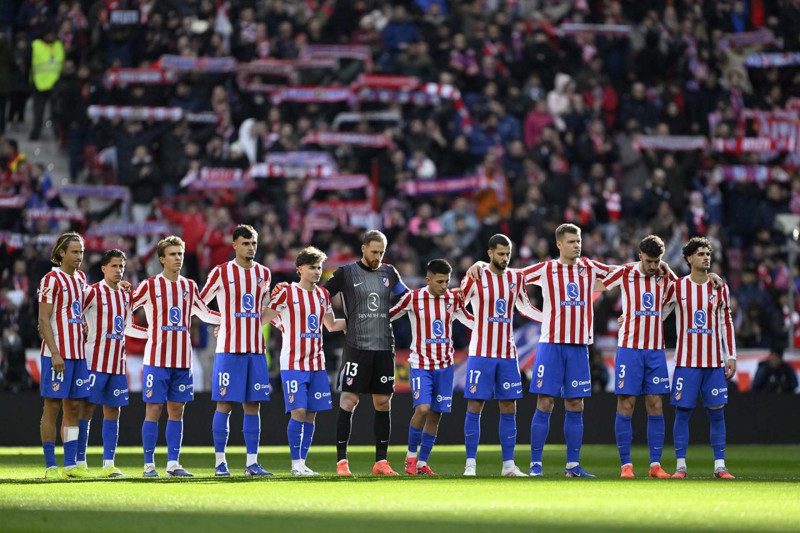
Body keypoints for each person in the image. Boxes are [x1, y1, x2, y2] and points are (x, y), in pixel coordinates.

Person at [522, 223, 612, 477]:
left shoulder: (589, 268)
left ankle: (572, 466)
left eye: (579, 240)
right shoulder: (547, 269)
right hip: (551, 344)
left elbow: (620, 273)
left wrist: (653, 267)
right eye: (571, 241)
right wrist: (481, 267)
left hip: (578, 346)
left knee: (575, 404)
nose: (577, 245)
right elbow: (513, 276)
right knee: (545, 401)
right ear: (559, 244)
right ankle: (535, 465)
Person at [127, 236, 220, 477]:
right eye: (172, 254)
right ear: (161, 259)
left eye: (180, 253)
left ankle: (172, 464)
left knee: (177, 410)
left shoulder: (189, 286)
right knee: (154, 409)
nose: (178, 258)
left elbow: (205, 312)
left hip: (183, 361)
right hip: (156, 360)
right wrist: (141, 331)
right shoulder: (149, 286)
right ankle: (149, 465)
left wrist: (230, 320)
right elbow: (126, 310)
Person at [326, 230, 409, 476]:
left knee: (383, 402)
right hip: (357, 347)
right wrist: (335, 323)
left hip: (384, 347)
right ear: (363, 249)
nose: (378, 257)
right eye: (374, 252)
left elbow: (407, 299)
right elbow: (320, 295)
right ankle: (342, 462)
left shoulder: (390, 272)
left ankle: (381, 462)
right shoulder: (346, 273)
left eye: (382, 252)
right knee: (349, 401)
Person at [461, 234, 542, 477]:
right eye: (500, 254)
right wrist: (477, 325)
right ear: (489, 253)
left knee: (509, 406)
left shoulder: (516, 278)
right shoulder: (476, 276)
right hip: (480, 353)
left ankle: (508, 466)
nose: (505, 258)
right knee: (475, 404)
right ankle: (470, 464)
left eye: (508, 254)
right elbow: (457, 305)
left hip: (507, 354)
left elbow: (525, 307)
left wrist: (551, 319)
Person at [264, 247, 346, 475]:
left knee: (311, 414)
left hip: (317, 365)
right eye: (312, 267)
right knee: (298, 411)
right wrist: (233, 324)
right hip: (293, 364)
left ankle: (302, 462)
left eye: (319, 267)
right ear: (300, 269)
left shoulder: (323, 295)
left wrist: (356, 322)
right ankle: (295, 463)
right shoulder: (287, 293)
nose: (317, 272)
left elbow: (330, 325)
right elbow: (265, 318)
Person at [599, 236, 675, 479]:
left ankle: (655, 465)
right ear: (640, 255)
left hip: (655, 350)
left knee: (655, 404)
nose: (654, 266)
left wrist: (657, 316)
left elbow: (682, 292)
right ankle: (626, 465)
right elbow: (598, 285)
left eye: (658, 261)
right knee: (627, 404)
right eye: (650, 261)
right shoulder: (624, 273)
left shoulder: (664, 273)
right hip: (629, 349)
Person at [200, 225, 273, 477]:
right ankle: (220, 463)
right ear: (234, 245)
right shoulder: (221, 272)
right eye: (245, 243)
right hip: (229, 350)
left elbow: (263, 311)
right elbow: (199, 303)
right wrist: (221, 321)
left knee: (253, 406)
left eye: (253, 243)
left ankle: (252, 463)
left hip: (255, 350)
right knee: (225, 404)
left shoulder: (264, 274)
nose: (251, 247)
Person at [389, 259, 473, 476]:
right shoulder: (414, 298)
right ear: (428, 280)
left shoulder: (452, 299)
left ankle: (422, 463)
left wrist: (490, 325)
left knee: (435, 415)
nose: (444, 286)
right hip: (421, 364)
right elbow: (390, 315)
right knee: (423, 409)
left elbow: (470, 320)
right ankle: (410, 457)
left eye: (446, 281)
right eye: (439, 281)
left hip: (445, 366)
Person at [664, 237, 737, 479]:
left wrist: (731, 356)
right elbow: (659, 313)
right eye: (701, 254)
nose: (706, 257)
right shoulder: (677, 287)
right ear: (689, 258)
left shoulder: (720, 288)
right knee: (682, 413)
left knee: (717, 413)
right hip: (686, 363)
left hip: (714, 363)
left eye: (708, 253)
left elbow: (727, 323)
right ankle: (681, 466)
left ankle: (720, 466)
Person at [76, 249, 144, 478]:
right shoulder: (92, 292)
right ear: (104, 268)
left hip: (117, 363)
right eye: (114, 266)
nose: (118, 271)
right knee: (86, 409)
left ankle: (108, 465)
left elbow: (127, 327)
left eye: (121, 267)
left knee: (113, 411)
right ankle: (79, 462)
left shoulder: (125, 295)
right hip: (94, 361)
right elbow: (75, 317)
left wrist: (150, 333)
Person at [37, 232, 91, 478]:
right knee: (52, 407)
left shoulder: (80, 278)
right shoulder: (51, 279)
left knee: (74, 408)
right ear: (61, 253)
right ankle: (50, 466)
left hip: (78, 354)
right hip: (56, 354)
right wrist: (55, 352)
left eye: (81, 252)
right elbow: (43, 319)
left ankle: (70, 466)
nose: (79, 256)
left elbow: (81, 307)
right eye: (74, 252)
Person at [29, 26, 64, 141]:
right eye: (48, 34)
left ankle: (57, 133)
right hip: (39, 83)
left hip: (55, 84)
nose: (51, 37)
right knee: (38, 111)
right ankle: (35, 133)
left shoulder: (59, 45)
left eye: (52, 34)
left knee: (56, 112)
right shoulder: (35, 45)